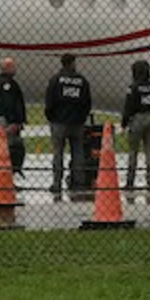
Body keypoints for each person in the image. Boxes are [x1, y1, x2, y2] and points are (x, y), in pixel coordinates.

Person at [44, 53, 93, 194]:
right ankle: (78, 182)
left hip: (59, 121)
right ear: (73, 63)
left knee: (58, 153)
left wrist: (51, 117)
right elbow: (87, 102)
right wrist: (82, 117)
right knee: (78, 153)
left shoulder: (55, 80)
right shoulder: (81, 81)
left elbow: (49, 101)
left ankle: (57, 182)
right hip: (77, 122)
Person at [121, 60, 150, 192]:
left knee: (133, 151)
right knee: (149, 150)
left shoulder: (133, 87)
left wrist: (124, 122)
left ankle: (130, 180)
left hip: (137, 118)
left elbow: (129, 106)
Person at [0, 57, 26, 178]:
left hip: (4, 119)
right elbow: (9, 103)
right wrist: (14, 121)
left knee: (10, 147)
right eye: (12, 66)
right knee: (13, 147)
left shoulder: (0, 82)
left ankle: (8, 174)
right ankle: (10, 173)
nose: (15, 69)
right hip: (9, 120)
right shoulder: (7, 84)